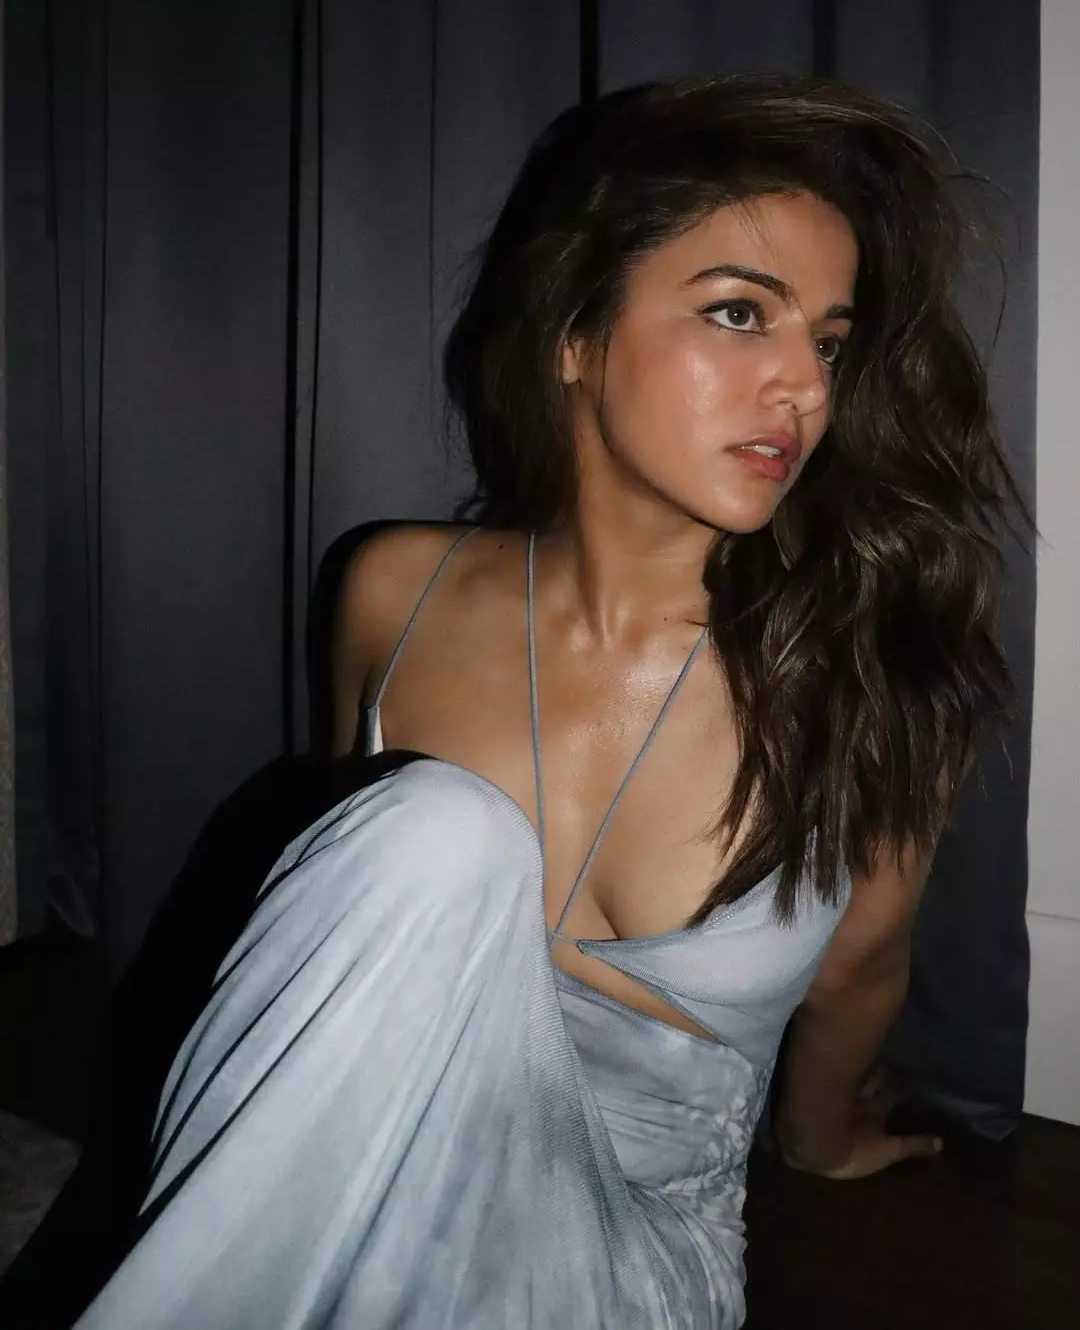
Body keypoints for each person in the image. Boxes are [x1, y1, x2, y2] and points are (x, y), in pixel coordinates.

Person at [73, 73, 1028, 1329]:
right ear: (575, 337)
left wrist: (823, 1142)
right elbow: (343, 939)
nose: (803, 385)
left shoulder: (867, 680)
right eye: (741, 312)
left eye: (830, 343)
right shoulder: (391, 590)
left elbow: (858, 982)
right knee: (430, 834)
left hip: (629, 1254)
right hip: (364, 1159)